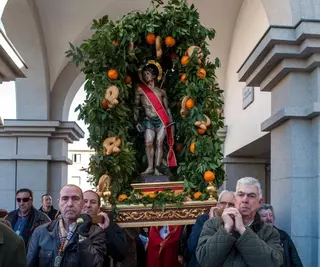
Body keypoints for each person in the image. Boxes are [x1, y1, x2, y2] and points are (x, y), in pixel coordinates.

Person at [196, 177, 284, 267]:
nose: (245, 200)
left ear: (260, 202)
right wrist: (226, 229)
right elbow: (205, 260)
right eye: (241, 195)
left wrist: (243, 231)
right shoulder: (213, 224)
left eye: (251, 196)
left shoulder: (269, 232)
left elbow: (272, 263)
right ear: (234, 199)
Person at [27, 184, 106, 267]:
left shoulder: (95, 232)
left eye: (75, 199)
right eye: (65, 199)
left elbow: (95, 264)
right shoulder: (41, 232)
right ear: (58, 203)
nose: (70, 204)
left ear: (82, 203)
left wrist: (83, 238)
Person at [135, 61, 176, 175]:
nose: (145, 76)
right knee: (148, 142)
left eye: (147, 73)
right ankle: (150, 167)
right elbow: (136, 107)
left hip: (161, 120)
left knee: (159, 142)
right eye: (144, 74)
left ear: (154, 75)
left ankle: (157, 168)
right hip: (149, 120)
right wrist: (136, 121)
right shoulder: (140, 90)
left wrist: (171, 122)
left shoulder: (161, 91)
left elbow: (166, 108)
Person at [184, 190, 235, 267]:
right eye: (223, 203)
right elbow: (192, 246)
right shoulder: (203, 220)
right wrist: (211, 223)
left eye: (231, 204)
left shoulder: (236, 223)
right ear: (217, 204)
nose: (226, 207)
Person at [82, 190, 127, 267]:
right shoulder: (70, 222)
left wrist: (107, 229)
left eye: (93, 202)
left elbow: (121, 254)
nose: (88, 205)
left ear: (99, 208)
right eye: (85, 201)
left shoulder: (108, 224)